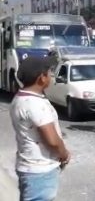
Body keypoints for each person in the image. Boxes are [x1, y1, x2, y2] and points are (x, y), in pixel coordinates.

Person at [10, 56, 71, 201]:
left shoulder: (20, 98)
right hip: (40, 172)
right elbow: (52, 141)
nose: (51, 76)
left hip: (29, 168)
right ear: (41, 78)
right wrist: (64, 154)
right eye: (49, 72)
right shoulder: (35, 104)